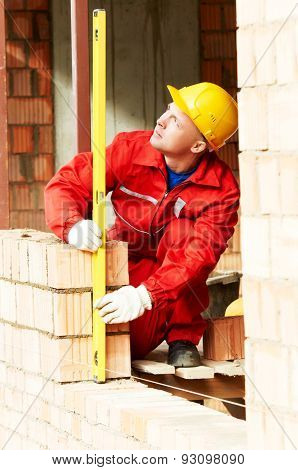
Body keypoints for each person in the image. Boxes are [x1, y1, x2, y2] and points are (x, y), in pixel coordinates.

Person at [44, 82, 240, 368]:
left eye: (175, 120)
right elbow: (69, 181)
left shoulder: (221, 190)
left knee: (183, 237)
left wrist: (146, 296)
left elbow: (198, 256)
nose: (161, 120)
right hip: (124, 261)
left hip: (172, 283)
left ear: (198, 145)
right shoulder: (130, 150)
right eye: (168, 110)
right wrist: (72, 225)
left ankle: (182, 336)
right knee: (112, 342)